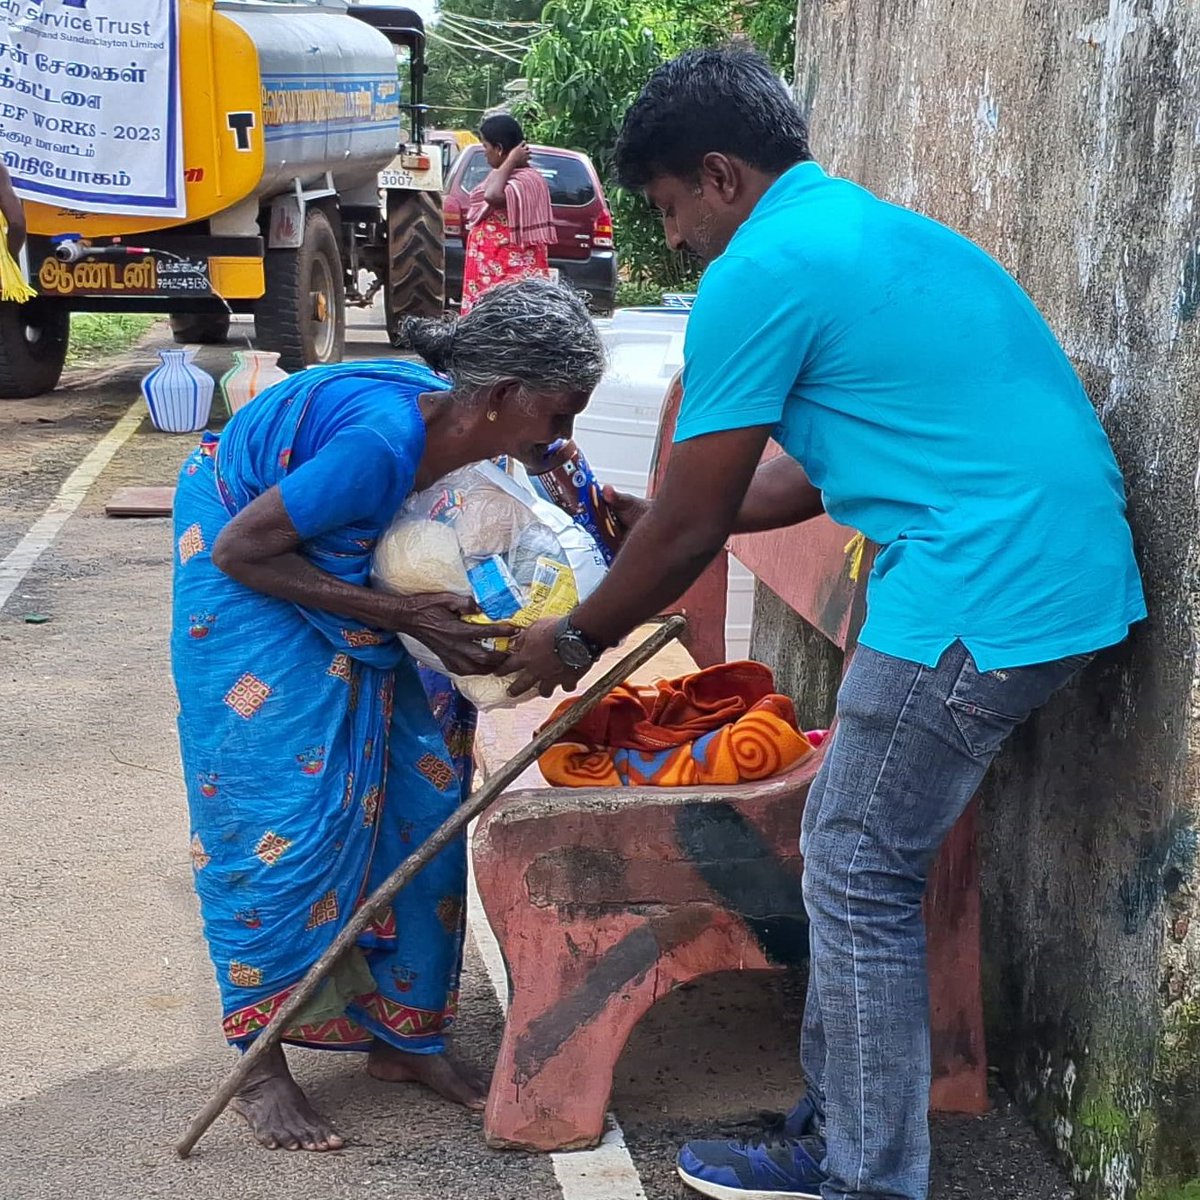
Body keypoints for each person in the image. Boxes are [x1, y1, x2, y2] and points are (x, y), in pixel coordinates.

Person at [504, 46, 1146, 1200]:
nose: (674, 241)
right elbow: (782, 488)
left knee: (853, 864)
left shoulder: (763, 266)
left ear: (720, 174)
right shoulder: (854, 230)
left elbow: (702, 526)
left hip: (982, 580)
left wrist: (574, 637)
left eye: (669, 210)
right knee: (863, 857)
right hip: (1045, 568)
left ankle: (862, 1172)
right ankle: (842, 1131)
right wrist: (643, 517)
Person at [171, 278, 605, 1153]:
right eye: (554, 419)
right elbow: (243, 549)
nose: (559, 443)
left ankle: (406, 1037)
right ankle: (259, 1063)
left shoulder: (479, 445)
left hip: (340, 573)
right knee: (280, 809)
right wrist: (404, 617)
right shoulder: (380, 443)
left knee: (424, 784)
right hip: (251, 570)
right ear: (495, 397)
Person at [460, 113, 554, 314]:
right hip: (491, 276)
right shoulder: (503, 176)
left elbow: (492, 196)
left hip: (508, 276)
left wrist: (510, 160)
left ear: (499, 149)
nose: (485, 154)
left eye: (486, 147)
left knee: (504, 327)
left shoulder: (526, 180)